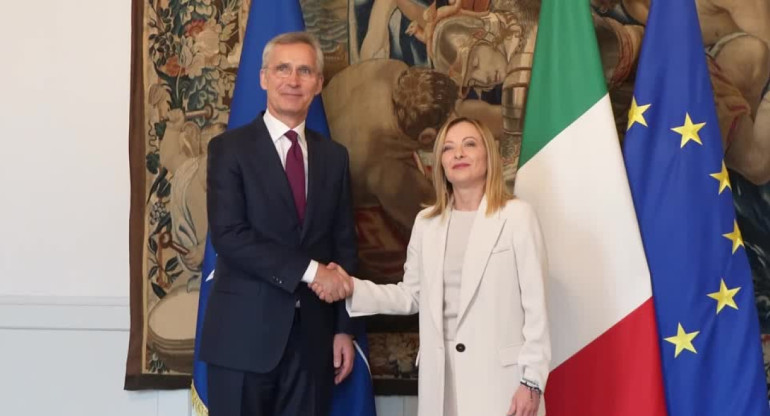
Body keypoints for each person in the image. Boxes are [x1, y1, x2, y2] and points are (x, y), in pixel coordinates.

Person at [315, 117, 551, 416]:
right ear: (440, 162)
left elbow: (536, 308)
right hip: (441, 380)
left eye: (469, 144)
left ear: (488, 155)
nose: (459, 154)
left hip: (502, 383)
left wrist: (531, 382)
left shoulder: (517, 216)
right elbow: (410, 295)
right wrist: (351, 287)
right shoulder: (427, 224)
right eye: (448, 148)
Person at [200, 31, 357, 416]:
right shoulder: (228, 150)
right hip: (242, 341)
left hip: (314, 344)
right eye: (283, 68)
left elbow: (343, 243)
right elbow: (229, 236)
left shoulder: (334, 157)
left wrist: (344, 328)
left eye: (305, 71)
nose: (293, 79)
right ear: (263, 77)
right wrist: (311, 271)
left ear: (318, 84)